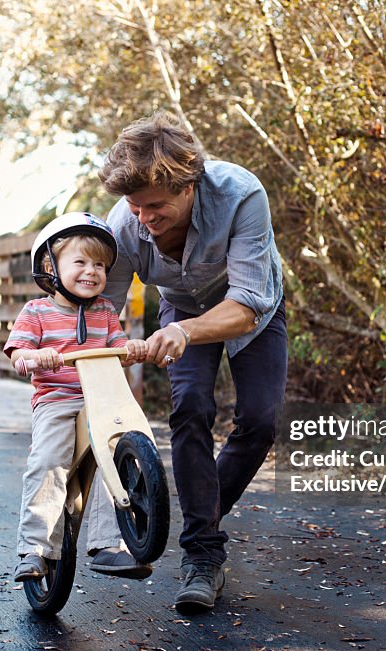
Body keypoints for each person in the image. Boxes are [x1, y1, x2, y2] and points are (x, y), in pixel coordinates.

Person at [98, 111, 287, 614]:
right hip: (181, 303)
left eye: (155, 206)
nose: (144, 219)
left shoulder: (241, 195)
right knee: (190, 407)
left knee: (259, 422)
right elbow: (104, 317)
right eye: (134, 207)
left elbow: (247, 304)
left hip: (252, 305)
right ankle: (202, 557)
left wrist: (181, 331)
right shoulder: (126, 223)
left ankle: (194, 522)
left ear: (189, 186)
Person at [4, 211, 151, 583]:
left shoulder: (104, 312)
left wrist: (131, 348)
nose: (92, 271)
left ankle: (108, 544)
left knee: (114, 455)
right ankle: (35, 548)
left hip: (101, 399)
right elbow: (18, 353)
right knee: (50, 461)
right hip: (58, 400)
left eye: (100, 265)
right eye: (81, 261)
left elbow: (119, 345)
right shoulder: (36, 312)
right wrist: (35, 357)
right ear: (50, 268)